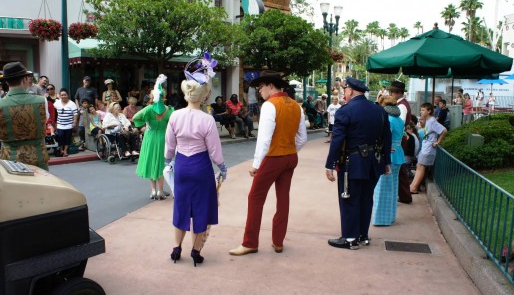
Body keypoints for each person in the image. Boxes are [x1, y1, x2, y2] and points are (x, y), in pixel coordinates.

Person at [229, 70, 307, 256]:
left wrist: (256, 164)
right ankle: (278, 241)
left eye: (261, 87)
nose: (259, 91)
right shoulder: (296, 106)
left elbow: (264, 139)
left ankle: (250, 242)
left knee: (255, 197)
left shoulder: (270, 105)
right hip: (290, 156)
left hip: (273, 158)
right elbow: (302, 138)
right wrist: (290, 149)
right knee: (283, 198)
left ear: (270, 86)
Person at [165, 52, 226, 266]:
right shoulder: (207, 120)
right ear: (205, 95)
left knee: (181, 206)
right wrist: (222, 167)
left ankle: (176, 248)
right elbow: (214, 150)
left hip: (182, 165)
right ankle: (196, 251)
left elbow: (169, 146)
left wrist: (168, 161)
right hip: (201, 166)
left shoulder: (174, 116)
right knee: (201, 208)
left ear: (185, 93)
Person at [324, 76, 391, 250]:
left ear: (351, 90)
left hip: (352, 163)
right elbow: (386, 137)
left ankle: (350, 238)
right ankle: (362, 235)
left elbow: (337, 140)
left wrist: (330, 164)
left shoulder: (345, 111)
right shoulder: (379, 111)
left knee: (349, 198)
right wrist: (386, 162)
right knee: (366, 199)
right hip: (374, 162)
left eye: (345, 89)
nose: (344, 92)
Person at [0, 62, 51, 170]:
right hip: (38, 158)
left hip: (11, 161)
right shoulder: (42, 101)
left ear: (6, 81)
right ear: (24, 79)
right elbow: (44, 120)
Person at [134, 74, 174, 200]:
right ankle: (161, 191)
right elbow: (174, 124)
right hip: (163, 137)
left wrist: (142, 127)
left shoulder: (148, 109)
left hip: (150, 137)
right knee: (162, 164)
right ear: (164, 96)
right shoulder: (169, 110)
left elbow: (135, 117)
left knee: (152, 162)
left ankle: (153, 191)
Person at [372, 96, 405, 226]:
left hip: (389, 155)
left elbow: (384, 137)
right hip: (398, 153)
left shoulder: (388, 119)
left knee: (382, 187)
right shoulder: (399, 119)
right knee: (392, 187)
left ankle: (381, 219)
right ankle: (390, 217)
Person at [410, 103, 447, 194]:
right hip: (425, 148)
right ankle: (413, 186)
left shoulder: (432, 121)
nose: (421, 112)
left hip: (428, 149)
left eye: (423, 110)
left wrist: (437, 142)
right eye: (421, 110)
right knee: (419, 165)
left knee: (421, 166)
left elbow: (444, 130)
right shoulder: (429, 121)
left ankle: (414, 187)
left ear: (429, 111)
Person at [389, 81, 413, 204]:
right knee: (399, 167)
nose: (390, 94)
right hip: (400, 137)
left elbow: (399, 124)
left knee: (400, 168)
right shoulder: (401, 104)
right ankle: (404, 195)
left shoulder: (402, 106)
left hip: (398, 138)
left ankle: (405, 196)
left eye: (392, 92)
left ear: (398, 93)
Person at [54, 88, 78, 157]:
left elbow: (75, 113)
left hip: (69, 124)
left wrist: (75, 122)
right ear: (60, 96)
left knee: (67, 138)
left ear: (67, 95)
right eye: (62, 95)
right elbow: (52, 108)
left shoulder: (72, 104)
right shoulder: (57, 102)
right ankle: (61, 150)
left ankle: (65, 151)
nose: (63, 96)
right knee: (60, 137)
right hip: (60, 124)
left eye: (65, 95)